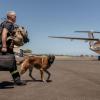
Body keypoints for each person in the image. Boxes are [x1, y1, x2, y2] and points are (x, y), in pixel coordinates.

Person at [0, 11, 26, 85]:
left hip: (5, 47)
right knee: (10, 62)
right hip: (6, 47)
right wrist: (4, 46)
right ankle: (18, 80)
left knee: (13, 63)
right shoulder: (9, 24)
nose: (16, 17)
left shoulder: (3, 23)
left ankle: (17, 80)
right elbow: (4, 33)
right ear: (10, 17)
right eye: (14, 16)